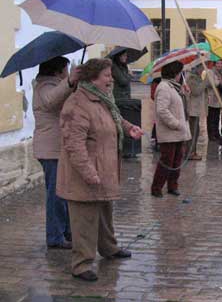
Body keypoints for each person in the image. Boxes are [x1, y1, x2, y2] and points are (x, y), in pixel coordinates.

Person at [57, 58, 144, 282]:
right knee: (84, 220)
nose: (111, 79)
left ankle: (109, 248)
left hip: (103, 169)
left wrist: (129, 127)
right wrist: (88, 173)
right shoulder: (77, 104)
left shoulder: (102, 98)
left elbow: (112, 117)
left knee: (105, 212)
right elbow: (73, 144)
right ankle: (81, 264)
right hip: (84, 175)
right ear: (92, 78)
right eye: (107, 75)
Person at [32, 56, 79, 249]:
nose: (68, 73)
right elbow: (52, 100)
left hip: (59, 148)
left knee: (64, 193)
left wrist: (72, 85)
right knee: (56, 195)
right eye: (66, 70)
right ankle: (55, 236)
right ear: (57, 71)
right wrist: (69, 82)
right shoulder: (44, 87)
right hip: (50, 150)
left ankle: (66, 231)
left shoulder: (56, 85)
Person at [151, 61, 192, 197]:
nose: (181, 75)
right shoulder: (164, 87)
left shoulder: (174, 87)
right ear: (175, 73)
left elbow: (181, 107)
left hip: (178, 132)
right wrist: (176, 124)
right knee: (166, 161)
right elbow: (162, 110)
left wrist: (185, 94)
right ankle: (156, 188)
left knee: (176, 160)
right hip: (170, 132)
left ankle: (172, 186)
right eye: (180, 72)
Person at [186, 64, 209, 160]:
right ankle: (190, 153)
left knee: (196, 131)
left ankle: (193, 151)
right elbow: (196, 91)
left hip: (197, 109)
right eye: (202, 68)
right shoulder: (191, 78)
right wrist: (205, 82)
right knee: (193, 131)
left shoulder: (197, 77)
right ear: (198, 68)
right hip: (193, 110)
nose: (203, 70)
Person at [206, 60, 222, 142]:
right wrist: (220, 82)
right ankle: (210, 134)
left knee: (217, 117)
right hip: (212, 98)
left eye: (221, 63)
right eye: (218, 63)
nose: (219, 65)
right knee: (211, 117)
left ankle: (216, 133)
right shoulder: (210, 72)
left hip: (219, 98)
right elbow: (212, 83)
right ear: (214, 64)